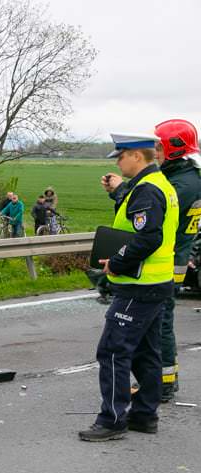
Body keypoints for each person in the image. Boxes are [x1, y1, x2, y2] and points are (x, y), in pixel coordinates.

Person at [80, 133, 177, 441]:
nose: (118, 162)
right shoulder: (158, 184)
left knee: (112, 351)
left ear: (137, 156)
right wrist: (119, 191)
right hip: (156, 283)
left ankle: (112, 419)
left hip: (139, 285)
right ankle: (145, 414)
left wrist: (117, 263)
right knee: (146, 353)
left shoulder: (147, 190)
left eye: (120, 156)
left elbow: (148, 237)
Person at [152, 119, 201, 401]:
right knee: (158, 321)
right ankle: (162, 380)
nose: (154, 152)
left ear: (173, 148)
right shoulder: (190, 177)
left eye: (158, 146)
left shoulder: (181, 185)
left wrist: (123, 192)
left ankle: (165, 383)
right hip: (177, 259)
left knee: (161, 323)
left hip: (169, 263)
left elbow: (158, 213)